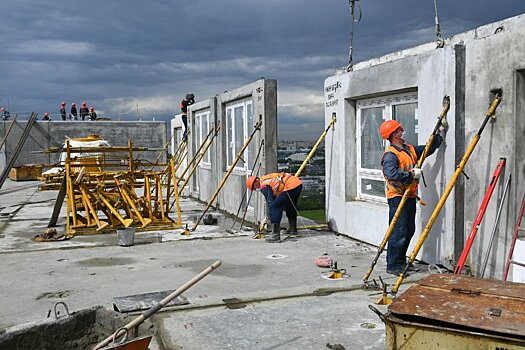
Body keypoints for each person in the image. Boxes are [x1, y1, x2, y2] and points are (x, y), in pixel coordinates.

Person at [379, 119, 446, 276]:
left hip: (409, 195)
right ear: (393, 134)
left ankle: (401, 261)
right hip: (397, 197)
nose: (403, 131)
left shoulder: (409, 149)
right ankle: (394, 265)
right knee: (399, 231)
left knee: (409, 230)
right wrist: (410, 174)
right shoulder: (391, 155)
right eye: (399, 129)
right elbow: (391, 174)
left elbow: (426, 150)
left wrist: (438, 135)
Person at [246, 173, 303, 243]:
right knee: (290, 206)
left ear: (255, 183)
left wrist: (271, 215)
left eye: (254, 188)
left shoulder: (263, 185)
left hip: (290, 186)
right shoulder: (265, 179)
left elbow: (270, 202)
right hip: (297, 184)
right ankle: (292, 229)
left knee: (275, 206)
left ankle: (275, 235)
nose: (256, 189)